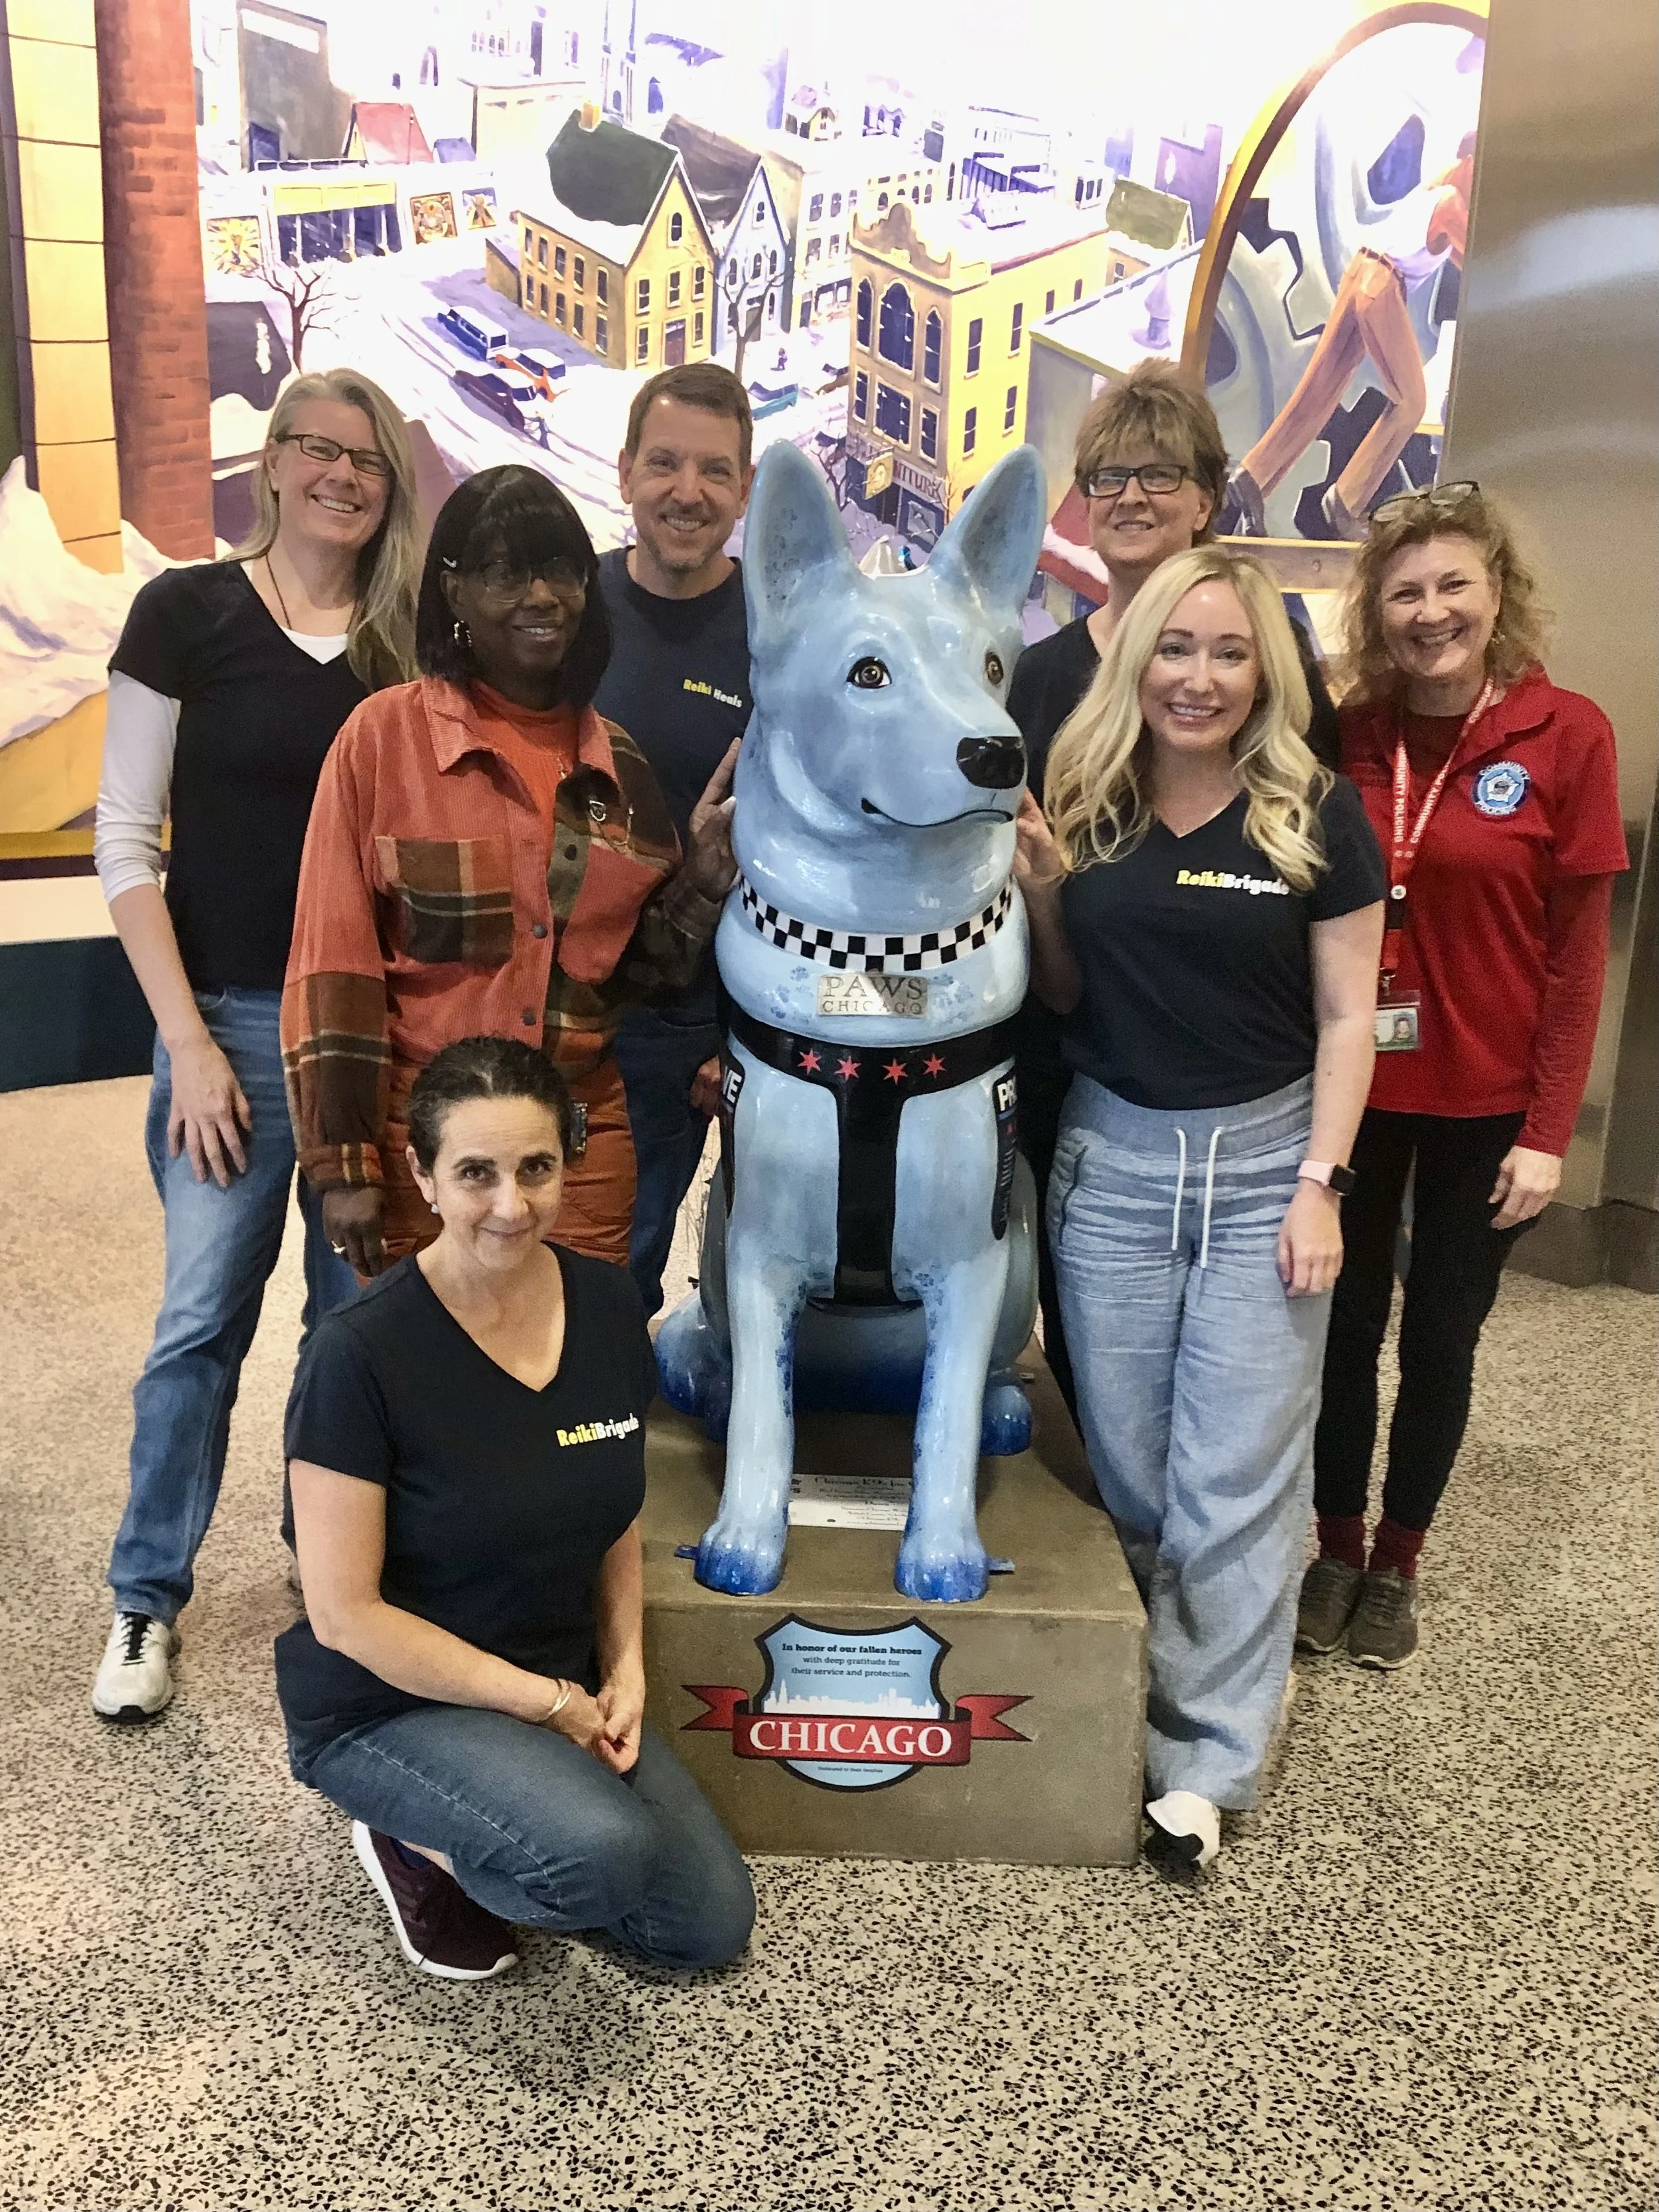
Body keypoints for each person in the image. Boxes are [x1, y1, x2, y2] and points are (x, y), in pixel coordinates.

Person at [1016, 547, 1385, 1871]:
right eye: (1174, 648)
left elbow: (1351, 1014)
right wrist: (1048, 893)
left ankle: (1199, 1759)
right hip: (1108, 1164)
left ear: (1262, 671)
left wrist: (1318, 1184)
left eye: (1228, 652)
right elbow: (1060, 997)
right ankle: (1160, 1685)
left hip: (1264, 1165)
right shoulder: (1088, 801)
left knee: (1232, 1474)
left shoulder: (1316, 813)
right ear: (1133, 662)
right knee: (1130, 1468)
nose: (1198, 677)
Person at [90, 368, 422, 1725]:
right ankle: (143, 1597)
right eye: (316, 449)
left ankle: (329, 1585)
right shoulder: (183, 614)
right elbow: (126, 842)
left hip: (366, 1043)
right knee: (196, 1329)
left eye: (369, 459)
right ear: (272, 465)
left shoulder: (405, 645)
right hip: (222, 1023)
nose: (342, 474)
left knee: (349, 1333)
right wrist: (189, 1041)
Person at [278, 1037, 755, 1978]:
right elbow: (344, 1613)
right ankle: (407, 1839)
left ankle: (527, 1806)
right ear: (422, 1174)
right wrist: (550, 1706)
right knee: (593, 1858)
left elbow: (616, 1509)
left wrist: (625, 1671)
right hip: (393, 1701)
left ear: (568, 1159)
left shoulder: (608, 1302)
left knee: (703, 1926)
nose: (512, 1203)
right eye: (475, 1172)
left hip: (553, 1668)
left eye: (537, 1167)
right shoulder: (358, 1355)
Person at [1299, 484, 1628, 1669]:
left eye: (1453, 587)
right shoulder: (1353, 731)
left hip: (1485, 1103)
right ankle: (1332, 1546)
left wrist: (1548, 1130)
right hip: (1356, 1091)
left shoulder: (1567, 734)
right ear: (1375, 610)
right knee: (1338, 1328)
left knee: (1441, 1336)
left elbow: (1576, 957)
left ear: (1497, 596)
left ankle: (1396, 1561)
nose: (1430, 612)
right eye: (1404, 590)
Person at [281, 465, 740, 1282]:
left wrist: (701, 878)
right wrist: (344, 1164)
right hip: (426, 1140)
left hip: (576, 1142)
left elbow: (635, 976)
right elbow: (334, 964)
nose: (541, 596)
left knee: (576, 1372)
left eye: (560, 569)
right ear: (453, 590)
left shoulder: (617, 764)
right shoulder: (382, 741)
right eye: (504, 572)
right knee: (424, 1383)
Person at [1007, 361, 1340, 1417]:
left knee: (1237, 1360)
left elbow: (1315, 844)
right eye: (1107, 477)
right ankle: (1129, 1539)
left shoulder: (1275, 658)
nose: (1132, 498)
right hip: (1074, 1065)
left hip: (1243, 1090)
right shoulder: (1040, 678)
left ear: (1209, 496)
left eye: (1160, 473)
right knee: (1099, 1344)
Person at [597, 364, 755, 1318]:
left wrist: (740, 1032)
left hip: (700, 1017)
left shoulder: (778, 632)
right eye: (663, 463)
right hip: (571, 1004)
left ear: (743, 488)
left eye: (714, 471)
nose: (686, 492)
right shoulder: (566, 612)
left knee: (641, 1262)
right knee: (565, 1250)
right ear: (624, 472)